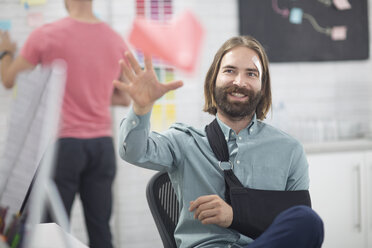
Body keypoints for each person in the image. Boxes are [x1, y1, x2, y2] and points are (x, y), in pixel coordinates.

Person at [114, 36, 324, 248]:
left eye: (251, 74)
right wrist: (141, 109)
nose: (239, 82)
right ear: (213, 79)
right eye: (229, 71)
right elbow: (133, 151)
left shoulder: (289, 151)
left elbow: (298, 219)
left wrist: (235, 215)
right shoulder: (183, 142)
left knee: (309, 222)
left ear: (263, 86)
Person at [0, 1, 130, 247]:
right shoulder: (115, 40)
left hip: (65, 147)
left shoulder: (47, 35)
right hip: (102, 147)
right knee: (101, 231)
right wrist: (93, 92)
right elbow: (124, 97)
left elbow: (8, 79)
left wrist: (5, 52)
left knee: (51, 230)